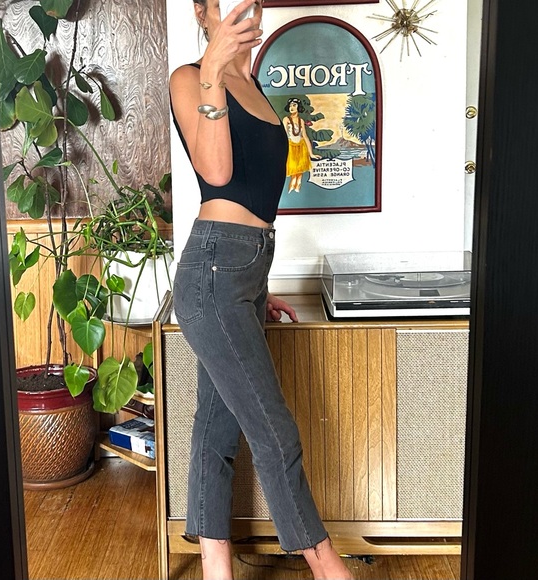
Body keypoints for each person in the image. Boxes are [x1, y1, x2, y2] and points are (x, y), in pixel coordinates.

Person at [169, 2, 354, 579]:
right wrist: (213, 68)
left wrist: (259, 286)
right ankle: (327, 566)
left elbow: (258, 200)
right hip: (212, 272)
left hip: (244, 275)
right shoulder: (189, 78)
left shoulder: (257, 87)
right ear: (202, 12)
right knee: (274, 429)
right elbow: (217, 174)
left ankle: (215, 569)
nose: (241, 10)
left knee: (216, 427)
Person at [283, 97, 321, 193]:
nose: (292, 107)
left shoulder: (301, 121)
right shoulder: (286, 119)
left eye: (294, 105)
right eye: (290, 106)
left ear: (298, 107)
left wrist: (311, 154)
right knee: (293, 174)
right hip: (291, 147)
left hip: (301, 147)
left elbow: (305, 137)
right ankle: (291, 191)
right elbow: (283, 136)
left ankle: (297, 190)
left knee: (299, 174)